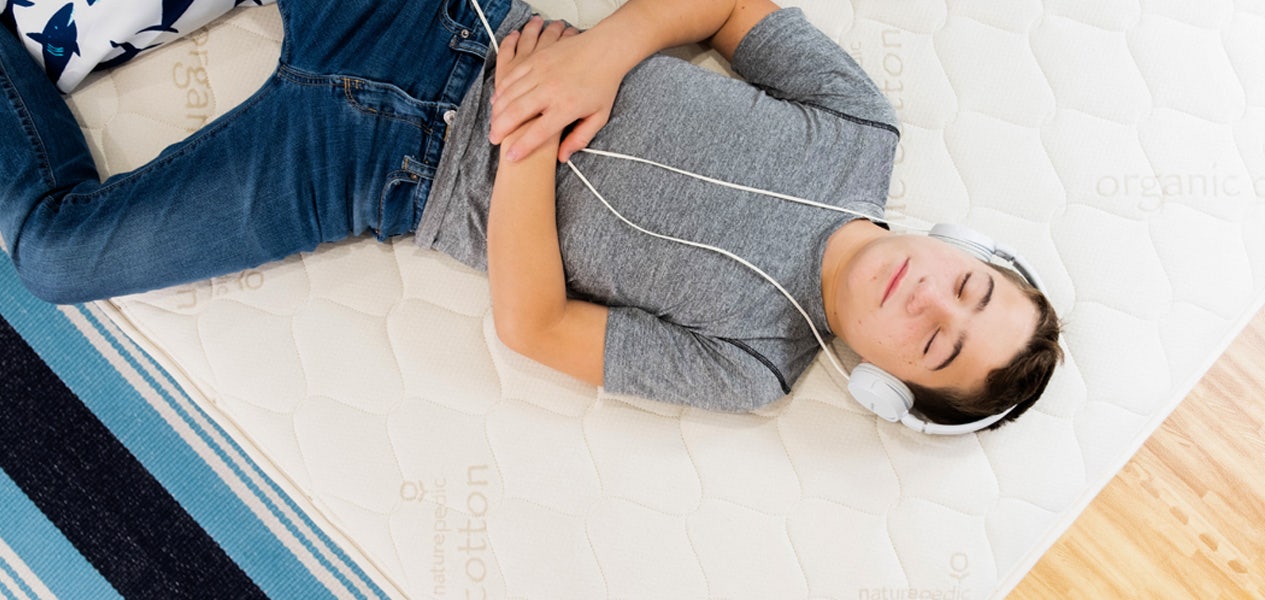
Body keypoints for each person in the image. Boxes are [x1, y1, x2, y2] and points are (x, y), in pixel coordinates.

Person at [0, 0, 1062, 428]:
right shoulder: (858, 134)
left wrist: (517, 152)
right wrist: (598, 59)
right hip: (445, 28)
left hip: (374, 171)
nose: (927, 295)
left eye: (932, 340)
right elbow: (728, 6)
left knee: (53, 255)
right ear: (963, 246)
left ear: (882, 384)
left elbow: (535, 327)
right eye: (965, 285)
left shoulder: (751, 365)